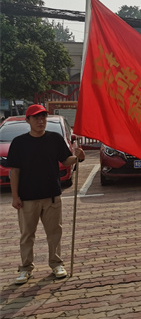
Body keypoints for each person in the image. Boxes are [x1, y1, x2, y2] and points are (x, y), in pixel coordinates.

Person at [8, 104, 85, 285]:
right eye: (36, 117)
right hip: (27, 198)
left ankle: (56, 264)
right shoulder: (19, 143)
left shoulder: (54, 139)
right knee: (27, 235)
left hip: (52, 196)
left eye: (43, 117)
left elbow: (65, 160)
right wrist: (15, 196)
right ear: (28, 120)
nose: (40, 121)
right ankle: (26, 268)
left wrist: (78, 157)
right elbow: (15, 171)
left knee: (54, 232)